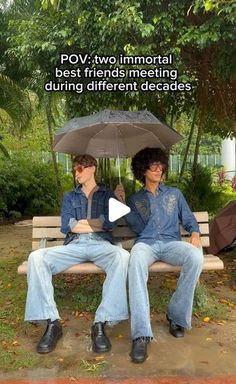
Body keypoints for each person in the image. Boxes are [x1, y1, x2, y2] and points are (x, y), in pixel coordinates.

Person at [25, 154, 129, 354]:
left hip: (101, 244)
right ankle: (52, 322)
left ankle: (101, 322)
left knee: (122, 257)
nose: (76, 173)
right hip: (74, 245)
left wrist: (118, 200)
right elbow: (67, 226)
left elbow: (110, 223)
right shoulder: (70, 196)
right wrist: (95, 223)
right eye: (74, 170)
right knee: (36, 258)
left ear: (92, 168)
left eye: (79, 169)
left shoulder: (108, 195)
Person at [115, 147, 204, 363]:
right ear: (143, 170)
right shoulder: (136, 199)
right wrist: (123, 204)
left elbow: (189, 218)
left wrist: (195, 234)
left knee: (195, 257)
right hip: (146, 244)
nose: (158, 169)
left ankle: (176, 316)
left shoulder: (175, 193)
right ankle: (141, 334)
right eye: (153, 165)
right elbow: (136, 228)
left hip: (171, 243)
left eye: (161, 165)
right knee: (135, 259)